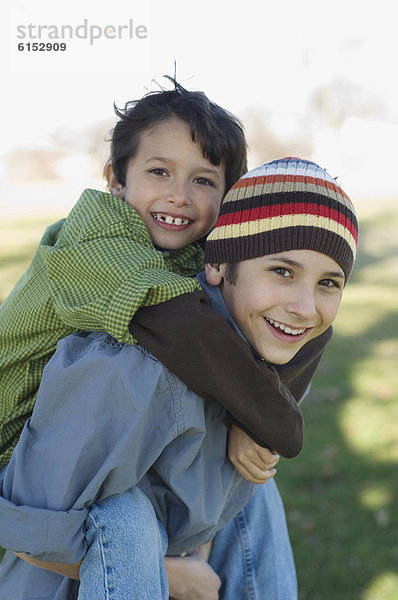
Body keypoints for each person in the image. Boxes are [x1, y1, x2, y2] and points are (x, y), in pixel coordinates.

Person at [0, 157, 358, 599]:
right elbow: (30, 529)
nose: (305, 307)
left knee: (257, 487)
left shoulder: (260, 353)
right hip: (72, 583)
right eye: (281, 272)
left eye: (329, 283)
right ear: (218, 268)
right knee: (127, 512)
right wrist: (176, 575)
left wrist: (254, 420)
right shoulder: (137, 371)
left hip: (181, 552)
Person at [0, 80, 314, 480]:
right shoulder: (97, 237)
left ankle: (197, 540)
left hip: (81, 441)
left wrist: (250, 422)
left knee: (247, 472)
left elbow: (265, 322)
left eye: (202, 181)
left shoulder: (189, 251)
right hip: (17, 449)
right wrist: (270, 422)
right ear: (116, 179)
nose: (179, 195)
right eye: (159, 172)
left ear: (225, 197)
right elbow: (188, 330)